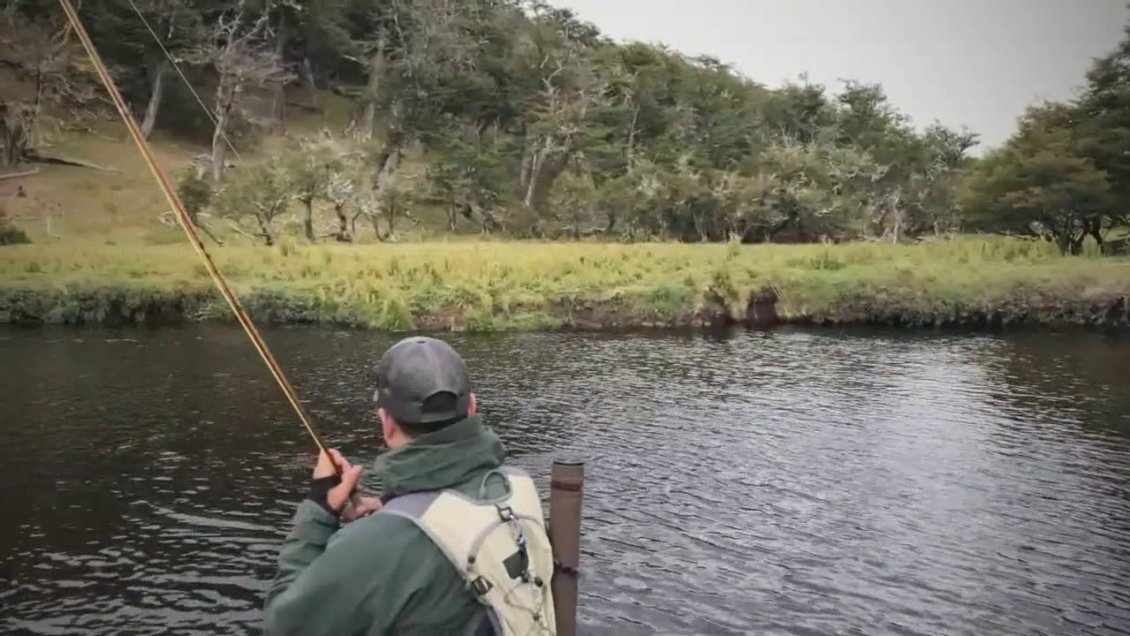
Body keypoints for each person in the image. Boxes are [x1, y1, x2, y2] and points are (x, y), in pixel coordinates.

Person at [263, 336, 557, 636]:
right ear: (471, 407)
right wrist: (395, 507)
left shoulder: (375, 546)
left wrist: (319, 510)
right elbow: (458, 509)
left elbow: (283, 626)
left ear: (386, 422)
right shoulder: (520, 485)